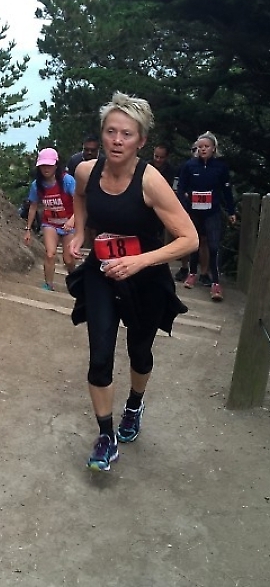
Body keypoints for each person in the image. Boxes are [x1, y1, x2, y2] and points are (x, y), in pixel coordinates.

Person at [67, 92, 198, 471]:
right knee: (100, 355)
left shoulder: (151, 181)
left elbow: (189, 238)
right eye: (111, 131)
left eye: (126, 134)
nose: (117, 140)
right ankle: (105, 436)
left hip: (146, 275)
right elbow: (80, 199)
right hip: (102, 271)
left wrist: (139, 261)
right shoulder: (86, 171)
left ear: (141, 140)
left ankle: (135, 404)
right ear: (102, 134)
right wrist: (79, 233)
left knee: (139, 352)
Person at [177, 131, 236, 301]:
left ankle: (216, 283)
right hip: (193, 211)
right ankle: (192, 273)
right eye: (200, 147)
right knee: (195, 243)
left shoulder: (220, 167)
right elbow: (181, 187)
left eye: (206, 146)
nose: (203, 149)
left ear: (213, 148)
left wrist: (231, 211)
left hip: (212, 211)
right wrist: (184, 200)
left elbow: (226, 190)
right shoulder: (190, 165)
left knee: (213, 245)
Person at [24, 148, 76, 291]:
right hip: (50, 223)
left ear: (56, 165)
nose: (46, 169)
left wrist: (73, 220)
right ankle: (48, 284)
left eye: (49, 165)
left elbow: (80, 202)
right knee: (49, 253)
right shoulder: (37, 185)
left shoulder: (67, 181)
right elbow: (33, 206)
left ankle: (74, 278)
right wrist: (28, 229)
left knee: (68, 259)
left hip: (69, 223)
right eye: (43, 165)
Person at [173, 142, 210, 283]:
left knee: (204, 240)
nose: (197, 151)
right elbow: (177, 188)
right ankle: (184, 268)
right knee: (186, 238)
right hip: (188, 208)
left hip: (206, 210)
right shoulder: (185, 167)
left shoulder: (211, 167)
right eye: (195, 149)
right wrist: (183, 200)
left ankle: (204, 273)